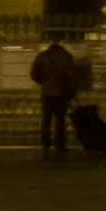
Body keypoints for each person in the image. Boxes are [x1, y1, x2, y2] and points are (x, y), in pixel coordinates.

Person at [30, 34, 86, 163]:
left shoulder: (42, 56)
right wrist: (71, 92)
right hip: (61, 93)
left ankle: (46, 145)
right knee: (60, 121)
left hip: (47, 93)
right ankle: (60, 145)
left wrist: (43, 83)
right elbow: (72, 76)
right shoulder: (67, 57)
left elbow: (34, 73)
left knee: (46, 120)